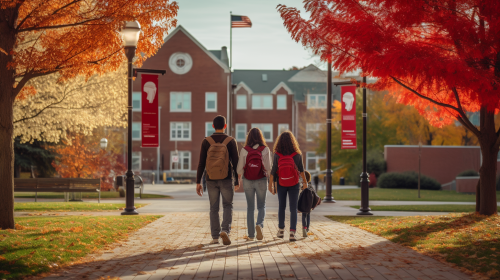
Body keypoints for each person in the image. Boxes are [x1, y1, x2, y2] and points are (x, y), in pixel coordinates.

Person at [196, 115, 239, 245]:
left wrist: (198, 182)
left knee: (213, 208)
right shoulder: (231, 141)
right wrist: (237, 181)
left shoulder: (206, 141)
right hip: (226, 178)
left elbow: (201, 163)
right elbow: (236, 163)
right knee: (228, 205)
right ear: (225, 126)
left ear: (213, 126)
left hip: (210, 179)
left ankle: (215, 237)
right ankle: (225, 230)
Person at [269, 131, 308, 242]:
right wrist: (305, 183)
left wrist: (270, 185)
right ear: (292, 142)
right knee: (293, 209)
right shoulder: (297, 154)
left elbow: (273, 170)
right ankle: (292, 232)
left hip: (281, 183)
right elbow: (301, 170)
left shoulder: (277, 154)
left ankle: (281, 230)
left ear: (279, 142)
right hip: (294, 184)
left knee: (282, 206)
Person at [236, 128, 272, 241]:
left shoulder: (244, 150)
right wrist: (271, 182)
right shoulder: (265, 149)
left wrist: (240, 177)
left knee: (250, 208)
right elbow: (269, 168)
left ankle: (251, 235)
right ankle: (259, 224)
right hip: (261, 179)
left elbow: (239, 169)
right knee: (262, 205)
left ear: (249, 137)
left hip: (248, 180)